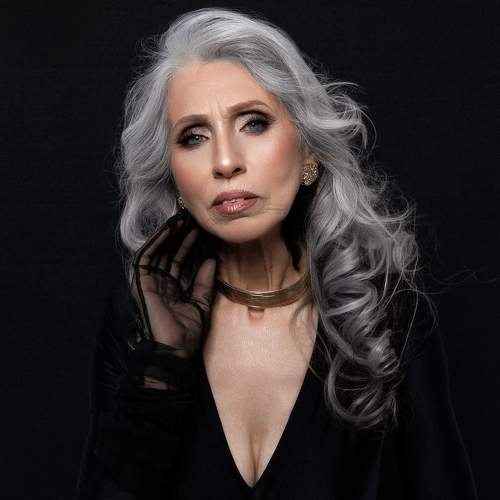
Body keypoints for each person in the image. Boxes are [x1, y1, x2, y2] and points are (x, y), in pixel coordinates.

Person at [73, 7, 479, 500]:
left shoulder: (385, 311)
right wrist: (161, 371)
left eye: (254, 123)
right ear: (174, 175)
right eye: (194, 137)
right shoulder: (138, 318)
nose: (225, 161)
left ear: (309, 150)